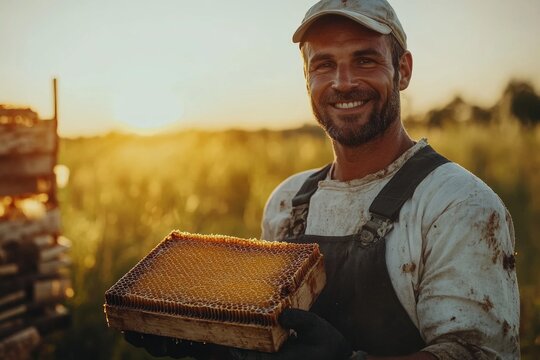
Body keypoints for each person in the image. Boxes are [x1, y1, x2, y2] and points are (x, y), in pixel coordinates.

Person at [126, 0, 520, 359]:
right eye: (324, 65)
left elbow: (479, 353)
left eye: (365, 60)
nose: (343, 82)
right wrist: (226, 346)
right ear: (307, 78)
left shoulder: (457, 203)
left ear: (403, 70)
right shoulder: (287, 202)